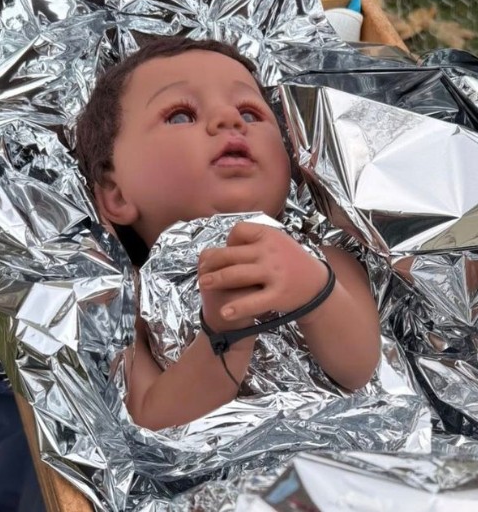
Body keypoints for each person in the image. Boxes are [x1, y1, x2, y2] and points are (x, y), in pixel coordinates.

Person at [75, 37, 381, 431]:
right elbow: (149, 416)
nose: (229, 119)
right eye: (181, 116)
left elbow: (358, 369)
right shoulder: (125, 299)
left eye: (250, 113)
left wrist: (314, 290)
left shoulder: (326, 261)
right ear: (116, 194)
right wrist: (224, 337)